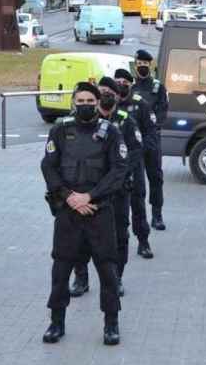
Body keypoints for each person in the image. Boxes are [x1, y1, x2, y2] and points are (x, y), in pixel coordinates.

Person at [41, 82, 126, 346]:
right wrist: (70, 198)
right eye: (81, 101)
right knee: (61, 270)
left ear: (98, 103)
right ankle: (56, 322)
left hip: (99, 212)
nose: (86, 105)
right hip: (68, 213)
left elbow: (118, 171)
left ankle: (111, 324)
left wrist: (89, 197)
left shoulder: (110, 132)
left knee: (107, 272)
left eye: (91, 101)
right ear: (73, 102)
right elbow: (48, 167)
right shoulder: (60, 130)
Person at [70, 77, 142, 298]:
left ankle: (116, 278)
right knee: (79, 237)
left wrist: (116, 177)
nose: (106, 95)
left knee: (119, 236)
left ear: (116, 95)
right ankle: (81, 278)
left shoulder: (125, 120)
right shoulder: (81, 122)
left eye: (110, 91)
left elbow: (135, 152)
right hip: (87, 193)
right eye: (102, 91)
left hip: (117, 192)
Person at [114, 68, 154, 258]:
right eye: (117, 81)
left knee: (137, 204)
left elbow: (149, 134)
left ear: (131, 84)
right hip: (110, 170)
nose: (121, 84)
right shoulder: (105, 106)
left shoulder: (140, 104)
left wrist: (140, 157)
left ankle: (143, 241)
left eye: (125, 82)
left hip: (133, 166)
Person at [132, 49, 168, 232]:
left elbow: (162, 112)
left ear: (150, 66)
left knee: (156, 178)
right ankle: (139, 217)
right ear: (135, 65)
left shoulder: (157, 87)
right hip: (133, 142)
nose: (143, 68)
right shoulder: (129, 88)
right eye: (140, 65)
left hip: (151, 139)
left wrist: (151, 127)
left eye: (146, 65)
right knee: (136, 182)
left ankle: (157, 215)